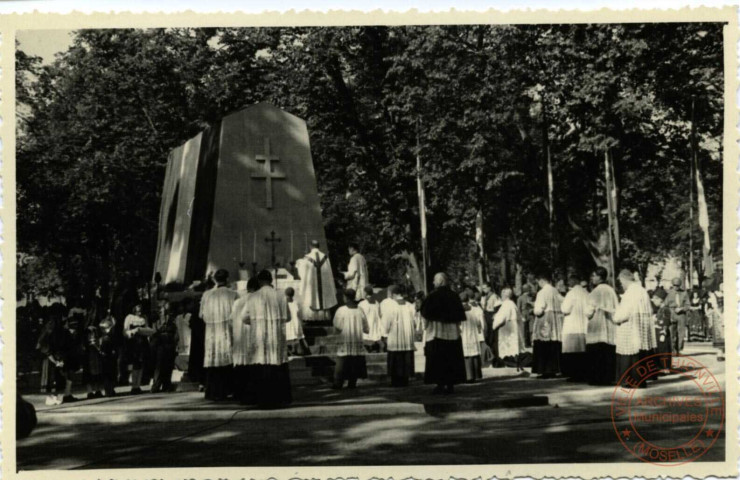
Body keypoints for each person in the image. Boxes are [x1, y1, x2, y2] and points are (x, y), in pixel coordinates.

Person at [241, 270, 293, 407]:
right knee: (276, 363)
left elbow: (244, 317)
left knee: (260, 363)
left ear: (259, 281)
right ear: (271, 280)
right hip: (276, 335)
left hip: (259, 335)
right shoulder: (281, 296)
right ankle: (280, 399)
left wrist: (256, 321)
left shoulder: (253, 297)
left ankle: (261, 399)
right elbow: (288, 317)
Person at [420, 273, 466, 394]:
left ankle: (440, 384)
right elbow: (459, 317)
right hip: (452, 334)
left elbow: (425, 314)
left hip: (437, 333)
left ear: (440, 282)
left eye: (435, 280)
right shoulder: (454, 296)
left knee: (439, 360)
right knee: (451, 359)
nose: (433, 283)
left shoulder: (432, 296)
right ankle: (450, 384)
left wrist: (426, 327)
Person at [613, 269, 657, 388]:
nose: (621, 285)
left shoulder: (631, 292)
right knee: (639, 354)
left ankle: (629, 380)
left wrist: (615, 317)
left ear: (624, 279)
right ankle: (640, 380)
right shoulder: (642, 291)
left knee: (629, 354)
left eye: (621, 282)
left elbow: (625, 313)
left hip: (630, 328)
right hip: (641, 327)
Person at [200, 269, 238, 401]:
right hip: (227, 329)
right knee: (227, 357)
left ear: (215, 280)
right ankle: (229, 390)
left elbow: (202, 315)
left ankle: (213, 391)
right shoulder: (233, 294)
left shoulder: (206, 295)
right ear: (227, 279)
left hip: (212, 331)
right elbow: (237, 313)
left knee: (214, 358)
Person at [36, 303, 81, 404]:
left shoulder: (54, 325)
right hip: (54, 356)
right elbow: (46, 344)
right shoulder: (53, 326)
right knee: (57, 377)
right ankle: (58, 397)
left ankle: (63, 395)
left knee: (62, 376)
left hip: (57, 355)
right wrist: (54, 358)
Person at [585, 267, 619, 385]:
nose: (592, 278)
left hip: (597, 325)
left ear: (600, 277)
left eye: (594, 275)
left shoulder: (595, 292)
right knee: (608, 351)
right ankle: (608, 377)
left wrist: (588, 314)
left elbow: (589, 311)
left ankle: (596, 378)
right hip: (609, 325)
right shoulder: (611, 290)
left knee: (596, 352)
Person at [230, 277, 259, 403]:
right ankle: (252, 394)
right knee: (253, 366)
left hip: (239, 336)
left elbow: (231, 321)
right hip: (251, 335)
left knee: (241, 367)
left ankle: (239, 394)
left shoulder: (238, 302)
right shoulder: (256, 300)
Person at [383, 285, 417, 387]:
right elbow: (415, 323)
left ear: (394, 294)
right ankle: (405, 379)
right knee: (405, 357)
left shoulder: (390, 307)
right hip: (407, 337)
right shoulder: (410, 306)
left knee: (396, 358)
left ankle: (395, 380)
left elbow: (386, 322)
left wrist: (385, 334)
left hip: (395, 336)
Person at [531, 272, 563, 378]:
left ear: (542, 281)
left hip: (545, 318)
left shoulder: (542, 292)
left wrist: (534, 310)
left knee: (543, 344)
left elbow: (539, 309)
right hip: (556, 319)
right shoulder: (555, 291)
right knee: (554, 343)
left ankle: (545, 370)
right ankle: (554, 369)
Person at [298, 240, 338, 321]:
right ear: (318, 247)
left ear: (310, 247)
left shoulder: (307, 258)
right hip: (323, 285)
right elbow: (329, 274)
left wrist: (298, 265)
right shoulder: (325, 257)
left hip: (312, 285)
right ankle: (323, 318)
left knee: (311, 296)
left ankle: (311, 318)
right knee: (322, 298)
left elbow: (302, 274)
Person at [560, 275, 590, 381]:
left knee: (573, 351)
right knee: (582, 350)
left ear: (573, 281)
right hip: (584, 326)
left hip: (572, 326)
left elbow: (565, 309)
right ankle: (584, 372)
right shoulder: (586, 293)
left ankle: (574, 374)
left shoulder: (571, 294)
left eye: (570, 281)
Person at [150, 301, 180, 393]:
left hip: (170, 344)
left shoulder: (172, 320)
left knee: (169, 365)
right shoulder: (156, 321)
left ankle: (166, 385)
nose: (162, 311)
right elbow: (153, 333)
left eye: (163, 309)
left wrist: (176, 344)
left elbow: (176, 333)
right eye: (160, 309)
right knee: (159, 366)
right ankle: (156, 385)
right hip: (160, 345)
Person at [123, 304, 151, 394]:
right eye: (138, 310)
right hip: (133, 343)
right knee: (135, 364)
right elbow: (125, 331)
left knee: (141, 363)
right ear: (134, 310)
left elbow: (147, 328)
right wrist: (132, 332)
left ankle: (138, 385)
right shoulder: (129, 318)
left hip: (142, 343)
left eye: (141, 310)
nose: (140, 312)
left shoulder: (144, 318)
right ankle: (133, 385)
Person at [493, 288, 524, 369]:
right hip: (514, 327)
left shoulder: (505, 305)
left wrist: (494, 325)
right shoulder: (513, 304)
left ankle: (508, 361)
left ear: (504, 295)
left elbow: (501, 318)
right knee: (514, 344)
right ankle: (515, 360)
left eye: (502, 295)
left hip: (507, 328)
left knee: (507, 346)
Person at [460, 291, 483, 382]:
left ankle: (468, 376)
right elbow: (478, 322)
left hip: (464, 334)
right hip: (473, 334)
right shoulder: (473, 309)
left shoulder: (460, 311)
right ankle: (476, 375)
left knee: (467, 355)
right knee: (474, 354)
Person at [665, 277, 689, 354]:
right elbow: (666, 305)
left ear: (680, 285)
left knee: (681, 333)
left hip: (681, 314)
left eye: (678, 285)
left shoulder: (684, 293)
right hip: (672, 313)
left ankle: (679, 349)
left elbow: (688, 305)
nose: (676, 287)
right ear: (672, 285)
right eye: (675, 285)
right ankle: (673, 350)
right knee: (672, 333)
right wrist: (669, 313)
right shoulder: (669, 293)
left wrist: (682, 308)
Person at [284, 287, 311, 356]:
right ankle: (294, 349)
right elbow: (299, 313)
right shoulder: (296, 303)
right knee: (296, 336)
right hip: (294, 322)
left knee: (294, 336)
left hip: (291, 322)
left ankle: (294, 350)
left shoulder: (287, 304)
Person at [481, 283, 502, 364]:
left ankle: (495, 359)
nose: (484, 289)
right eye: (482, 288)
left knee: (492, 337)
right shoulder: (484, 297)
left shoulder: (495, 296)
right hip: (486, 315)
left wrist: (495, 315)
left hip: (491, 316)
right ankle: (489, 357)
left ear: (489, 287)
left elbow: (498, 306)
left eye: (485, 287)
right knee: (487, 337)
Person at [359, 285, 383, 353]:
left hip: (367, 324)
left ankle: (368, 348)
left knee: (367, 336)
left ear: (365, 293)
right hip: (375, 324)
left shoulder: (362, 304)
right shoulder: (377, 303)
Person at [98, 312, 118, 397]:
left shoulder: (108, 337)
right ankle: (108, 391)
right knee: (107, 375)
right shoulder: (104, 338)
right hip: (106, 358)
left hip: (110, 358)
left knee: (111, 374)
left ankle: (111, 390)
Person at [651, 287, 673, 358]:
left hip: (662, 333)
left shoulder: (665, 309)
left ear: (660, 300)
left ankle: (665, 367)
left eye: (655, 299)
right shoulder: (660, 309)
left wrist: (664, 332)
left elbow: (666, 321)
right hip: (658, 332)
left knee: (664, 350)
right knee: (659, 350)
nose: (653, 300)